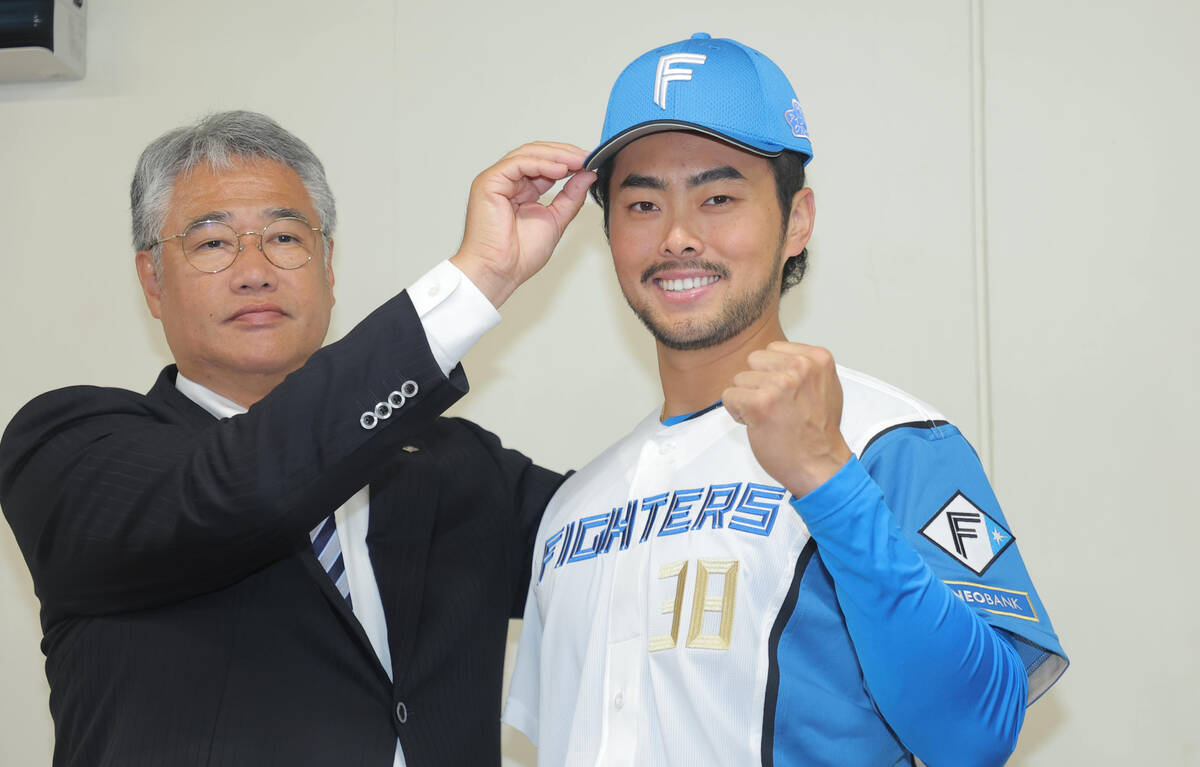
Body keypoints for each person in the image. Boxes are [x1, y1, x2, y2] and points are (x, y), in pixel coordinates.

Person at [504, 34, 1068, 766]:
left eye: (718, 197)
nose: (677, 236)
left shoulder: (888, 442)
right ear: (608, 231)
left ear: (797, 219)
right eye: (643, 203)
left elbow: (977, 732)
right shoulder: (575, 508)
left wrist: (828, 479)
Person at [0, 111, 596, 766]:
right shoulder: (70, 451)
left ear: (329, 266)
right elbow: (247, 485)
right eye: (212, 244)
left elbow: (626, 545)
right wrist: (477, 278)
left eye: (285, 237)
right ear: (152, 280)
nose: (255, 270)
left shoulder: (455, 464)